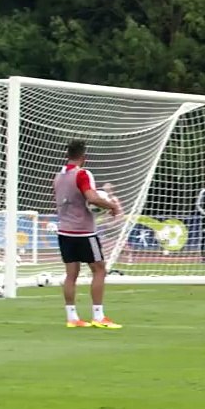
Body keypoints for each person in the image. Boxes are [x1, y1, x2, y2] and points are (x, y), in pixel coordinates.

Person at [55, 139, 123, 329]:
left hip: (64, 230)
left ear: (67, 155)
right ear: (84, 157)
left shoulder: (58, 177)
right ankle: (98, 316)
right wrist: (111, 206)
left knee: (71, 274)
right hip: (83, 232)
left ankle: (72, 317)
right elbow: (92, 198)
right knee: (100, 269)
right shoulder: (82, 174)